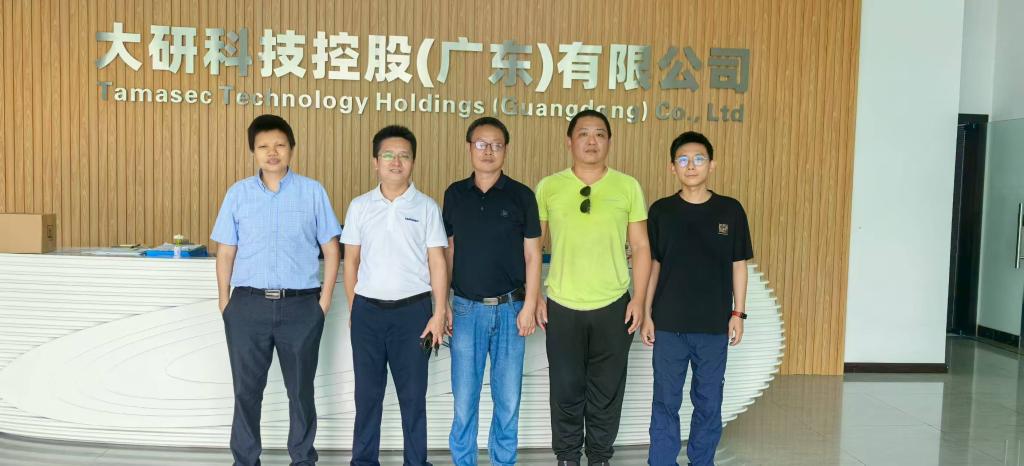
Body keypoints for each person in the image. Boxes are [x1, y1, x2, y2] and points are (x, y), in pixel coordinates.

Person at [211, 114, 342, 466]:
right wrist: (225, 302)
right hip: (247, 306)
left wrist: (324, 301)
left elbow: (332, 250)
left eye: (280, 145)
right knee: (246, 391)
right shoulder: (238, 194)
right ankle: (245, 460)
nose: (272, 152)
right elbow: (226, 251)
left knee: (300, 392)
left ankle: (303, 459)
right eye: (264, 146)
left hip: (301, 308)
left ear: (292, 149)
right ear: (253, 152)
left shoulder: (312, 191)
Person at [535, 109, 652, 466]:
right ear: (569, 142)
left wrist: (640, 300)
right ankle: (567, 457)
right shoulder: (549, 186)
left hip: (614, 305)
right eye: (583, 133)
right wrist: (534, 295)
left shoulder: (627, 186)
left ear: (609, 142)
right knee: (565, 388)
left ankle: (599, 457)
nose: (591, 141)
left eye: (599, 134)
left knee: (607, 390)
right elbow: (533, 248)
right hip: (562, 305)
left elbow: (641, 247)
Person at [641, 131, 753, 466]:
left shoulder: (730, 210)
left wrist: (738, 313)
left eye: (699, 159)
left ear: (712, 165)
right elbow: (654, 266)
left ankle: (702, 461)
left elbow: (739, 265)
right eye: (683, 159)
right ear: (672, 167)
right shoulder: (661, 211)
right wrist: (646, 313)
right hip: (669, 324)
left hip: (713, 326)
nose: (691, 165)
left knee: (708, 401)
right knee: (665, 400)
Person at [340, 125, 448, 466]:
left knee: (413, 398)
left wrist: (438, 313)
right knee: (367, 397)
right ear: (375, 161)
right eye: (388, 155)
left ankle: (416, 462)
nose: (396, 162)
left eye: (404, 156)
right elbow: (351, 260)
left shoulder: (427, 207)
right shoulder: (359, 206)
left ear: (413, 161)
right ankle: (363, 461)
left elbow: (437, 262)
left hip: (413, 314)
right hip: (367, 313)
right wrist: (355, 308)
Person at [442, 117, 542, 466]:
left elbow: (533, 255)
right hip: (466, 310)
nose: (488, 151)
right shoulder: (455, 195)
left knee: (508, 401)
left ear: (505, 150)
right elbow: (448, 251)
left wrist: (529, 306)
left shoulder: (522, 196)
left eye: (496, 145)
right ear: (469, 148)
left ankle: (503, 462)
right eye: (482, 144)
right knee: (464, 401)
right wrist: (443, 304)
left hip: (511, 310)